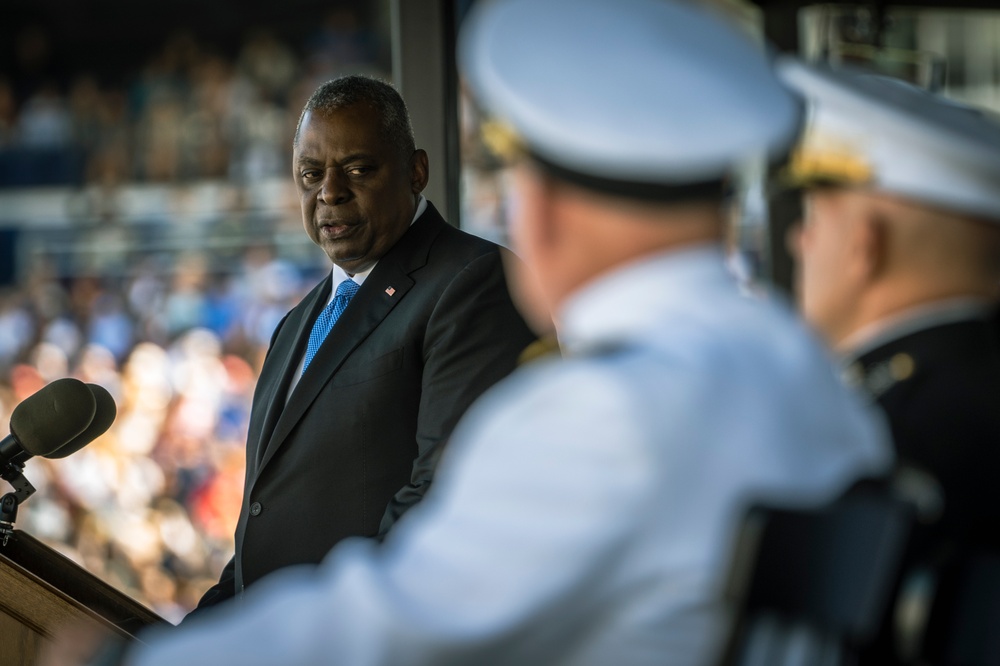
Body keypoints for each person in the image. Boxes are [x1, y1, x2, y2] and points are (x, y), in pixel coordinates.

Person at [40, 1, 890, 664]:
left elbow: (408, 620)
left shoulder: (603, 416)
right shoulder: (810, 382)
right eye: (311, 174)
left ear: (544, 211)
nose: (330, 193)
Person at [186, 74, 537, 612]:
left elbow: (441, 501)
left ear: (416, 171)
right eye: (311, 174)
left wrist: (301, 632)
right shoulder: (294, 325)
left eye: (357, 168)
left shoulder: (473, 281)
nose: (329, 191)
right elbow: (262, 533)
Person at [779, 58, 1000, 663]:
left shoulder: (882, 434)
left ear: (863, 245)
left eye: (813, 218)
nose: (799, 242)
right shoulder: (962, 392)